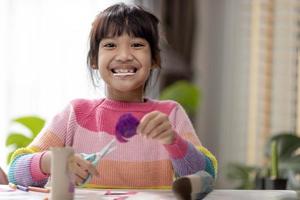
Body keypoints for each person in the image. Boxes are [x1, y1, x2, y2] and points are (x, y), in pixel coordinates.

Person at [8, 3, 217, 189]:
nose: (124, 55)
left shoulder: (170, 115)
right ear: (93, 60)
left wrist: (173, 140)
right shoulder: (76, 114)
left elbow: (205, 176)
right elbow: (15, 171)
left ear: (154, 59)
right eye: (110, 45)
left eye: (137, 45)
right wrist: (49, 161)